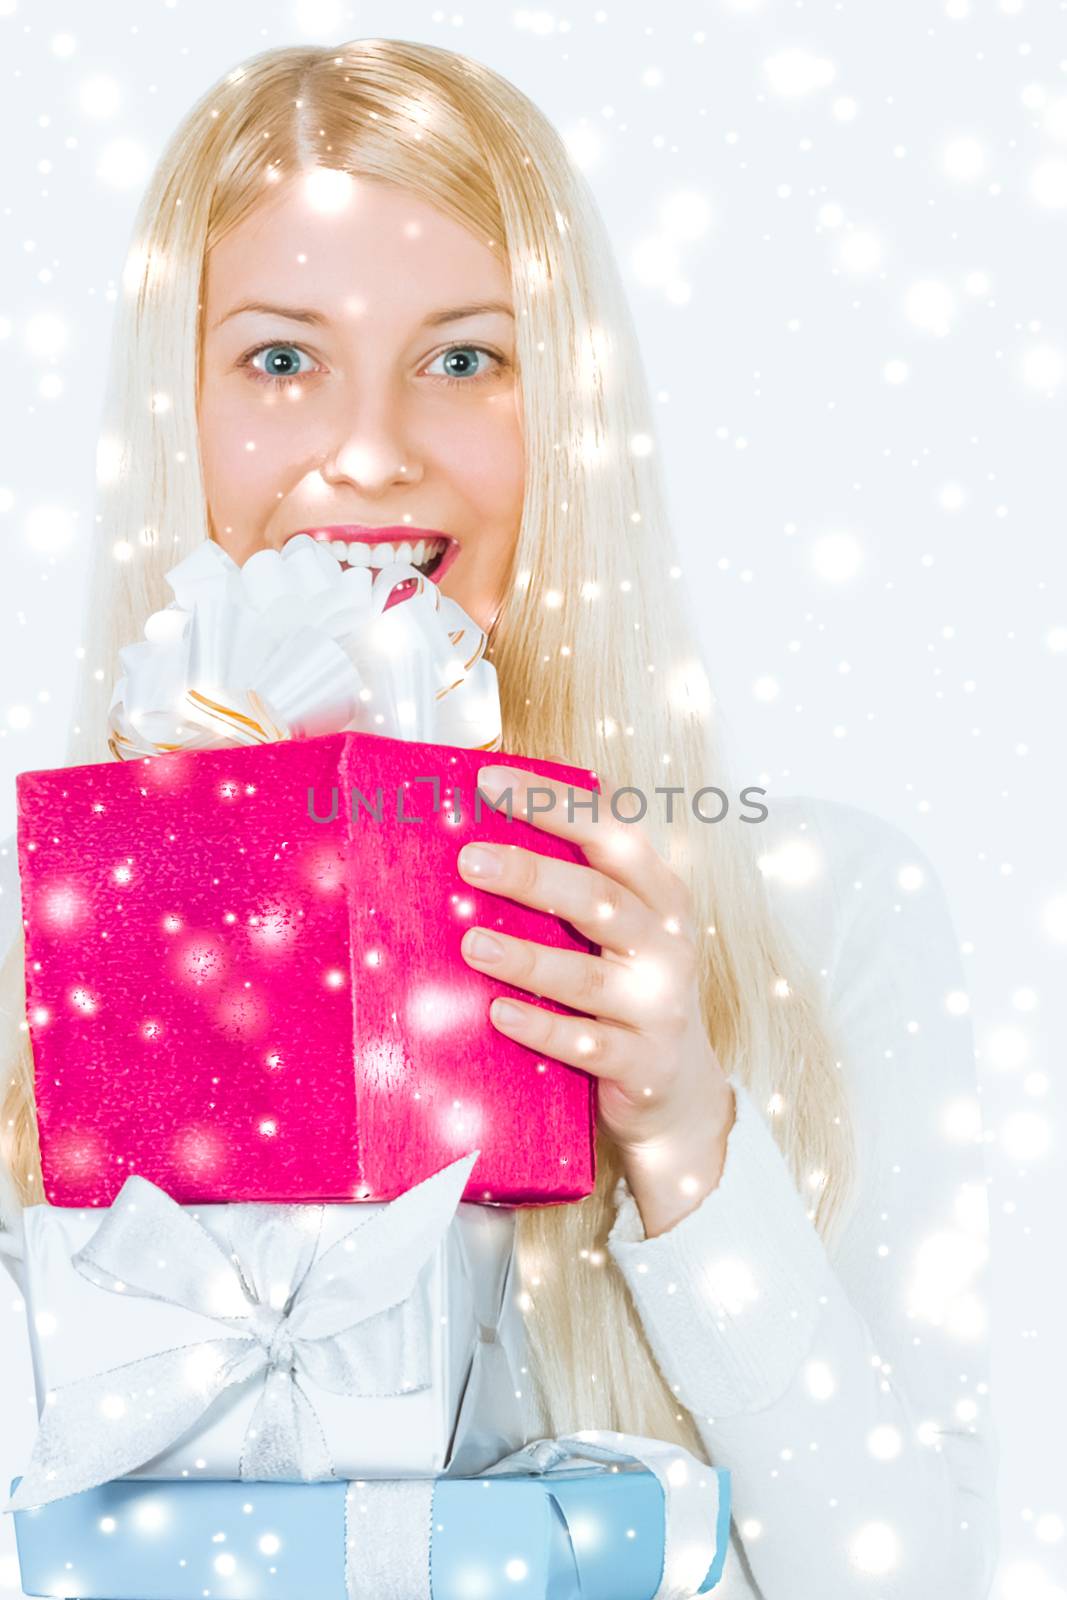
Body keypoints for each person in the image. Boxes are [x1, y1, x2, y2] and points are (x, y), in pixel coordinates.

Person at [0, 38, 999, 1597]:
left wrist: (682, 1130)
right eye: (279, 359)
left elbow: (916, 1581)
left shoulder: (826, 902)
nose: (373, 448)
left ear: (569, 409)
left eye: (465, 358)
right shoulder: (38, 950)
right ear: (176, 408)